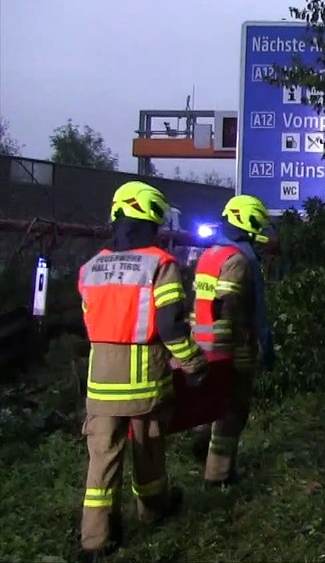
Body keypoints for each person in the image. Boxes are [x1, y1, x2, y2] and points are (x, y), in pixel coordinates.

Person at [76, 182, 208, 563]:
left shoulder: (90, 266)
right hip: (144, 380)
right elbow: (170, 327)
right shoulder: (160, 264)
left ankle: (95, 540)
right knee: (148, 448)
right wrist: (194, 363)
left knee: (102, 459)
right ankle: (153, 510)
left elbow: (90, 320)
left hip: (100, 382)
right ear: (153, 217)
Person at [188, 194, 274, 486]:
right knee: (232, 410)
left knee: (210, 402)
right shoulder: (239, 259)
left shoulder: (210, 254)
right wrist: (256, 340)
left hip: (202, 343)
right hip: (231, 346)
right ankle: (219, 474)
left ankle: (201, 435)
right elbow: (231, 303)